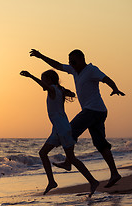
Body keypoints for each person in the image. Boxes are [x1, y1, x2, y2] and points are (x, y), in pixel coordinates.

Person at [30, 49, 125, 188]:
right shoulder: (74, 70)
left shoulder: (91, 70)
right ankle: (114, 173)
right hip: (97, 111)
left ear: (81, 59)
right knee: (100, 144)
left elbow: (106, 79)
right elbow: (56, 65)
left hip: (93, 110)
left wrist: (114, 88)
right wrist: (40, 56)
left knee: (70, 130)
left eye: (73, 61)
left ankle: (69, 162)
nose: (71, 64)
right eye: (70, 62)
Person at [20, 69, 99, 196]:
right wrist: (66, 91)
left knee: (71, 158)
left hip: (62, 129)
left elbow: (46, 86)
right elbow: (72, 94)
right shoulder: (59, 90)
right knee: (43, 153)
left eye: (43, 79)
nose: (42, 82)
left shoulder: (52, 89)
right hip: (59, 129)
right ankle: (52, 180)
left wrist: (30, 76)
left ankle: (92, 181)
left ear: (49, 80)